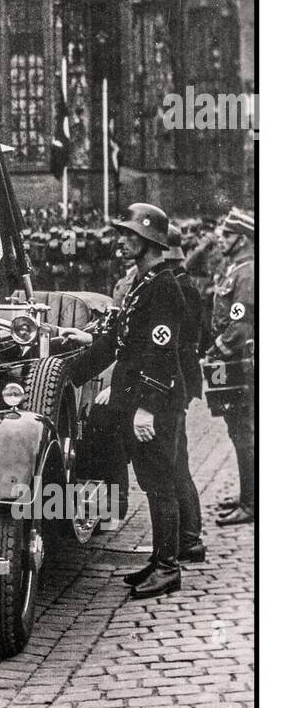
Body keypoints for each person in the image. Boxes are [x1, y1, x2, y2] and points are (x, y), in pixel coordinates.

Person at [61, 203, 186, 599]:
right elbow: (116, 341)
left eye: (130, 235)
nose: (122, 241)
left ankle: (168, 567)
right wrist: (67, 375)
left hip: (154, 401)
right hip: (133, 399)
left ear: (150, 241)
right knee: (151, 482)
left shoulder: (164, 287)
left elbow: (160, 353)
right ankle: (158, 560)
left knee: (160, 483)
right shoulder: (143, 283)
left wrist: (147, 408)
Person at [209, 207, 255, 524]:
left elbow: (240, 327)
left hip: (242, 363)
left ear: (241, 239)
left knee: (245, 433)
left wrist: (215, 351)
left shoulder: (248, 273)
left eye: (226, 235)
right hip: (235, 362)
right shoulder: (237, 269)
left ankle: (251, 504)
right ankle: (247, 495)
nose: (220, 238)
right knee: (237, 430)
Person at [164, 223, 206, 561]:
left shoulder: (179, 285)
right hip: (180, 377)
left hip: (176, 379)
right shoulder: (181, 281)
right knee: (178, 461)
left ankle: (190, 538)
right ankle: (188, 537)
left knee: (177, 464)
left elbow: (188, 338)